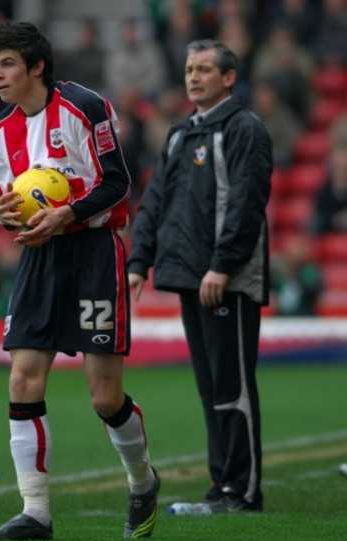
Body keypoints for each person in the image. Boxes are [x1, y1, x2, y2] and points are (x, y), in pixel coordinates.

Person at [0, 21, 159, 541]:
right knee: (22, 379)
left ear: (37, 67)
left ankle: (143, 481)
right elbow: (11, 208)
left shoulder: (85, 107)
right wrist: (4, 217)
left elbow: (119, 182)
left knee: (104, 397)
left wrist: (68, 215)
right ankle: (35, 512)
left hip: (94, 253)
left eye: (8, 64)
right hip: (40, 258)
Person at [128, 40, 272, 513]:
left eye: (205, 69)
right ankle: (221, 485)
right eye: (190, 68)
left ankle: (242, 491)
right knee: (211, 386)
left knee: (233, 385)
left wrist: (222, 266)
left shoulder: (244, 128)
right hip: (191, 275)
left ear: (228, 78)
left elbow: (247, 204)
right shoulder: (180, 133)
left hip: (223, 277)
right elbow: (154, 203)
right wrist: (138, 262)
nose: (194, 77)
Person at [270, 234, 324, 316]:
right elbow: (272, 289)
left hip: (305, 315)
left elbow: (313, 295)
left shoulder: (312, 271)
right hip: (282, 317)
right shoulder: (281, 271)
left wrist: (296, 275)